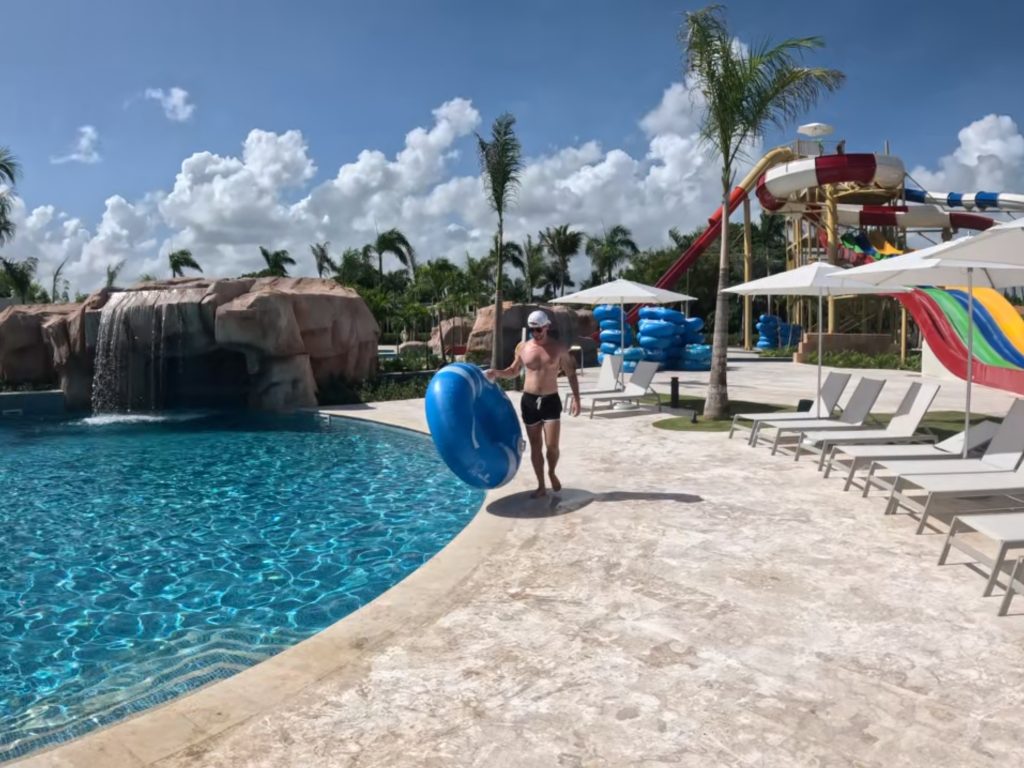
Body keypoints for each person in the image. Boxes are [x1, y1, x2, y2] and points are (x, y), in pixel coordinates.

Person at [486, 310, 581, 498]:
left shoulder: (559, 348)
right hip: (529, 401)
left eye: (538, 329)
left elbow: (571, 372)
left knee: (552, 446)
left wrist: (577, 399)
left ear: (547, 327)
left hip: (550, 400)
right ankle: (541, 485)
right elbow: (513, 370)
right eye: (532, 330)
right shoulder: (522, 347)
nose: (535, 334)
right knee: (535, 446)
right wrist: (496, 373)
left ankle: (552, 471)